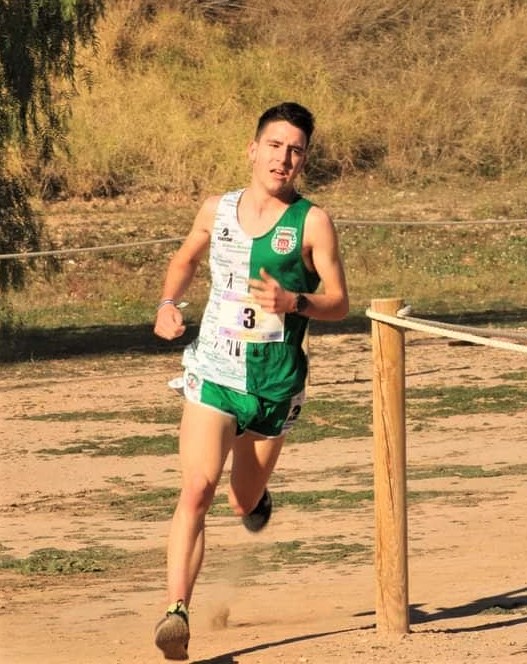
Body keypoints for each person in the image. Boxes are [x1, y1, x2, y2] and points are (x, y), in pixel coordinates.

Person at [151, 102, 349, 660]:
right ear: (253, 149)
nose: (284, 159)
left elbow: (339, 302)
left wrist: (296, 301)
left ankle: (256, 500)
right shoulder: (218, 209)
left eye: (296, 151)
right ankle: (176, 614)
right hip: (214, 371)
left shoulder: (312, 221)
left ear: (303, 160)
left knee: (241, 500)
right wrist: (168, 303)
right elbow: (186, 258)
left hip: (273, 383)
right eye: (276, 146)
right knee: (196, 489)